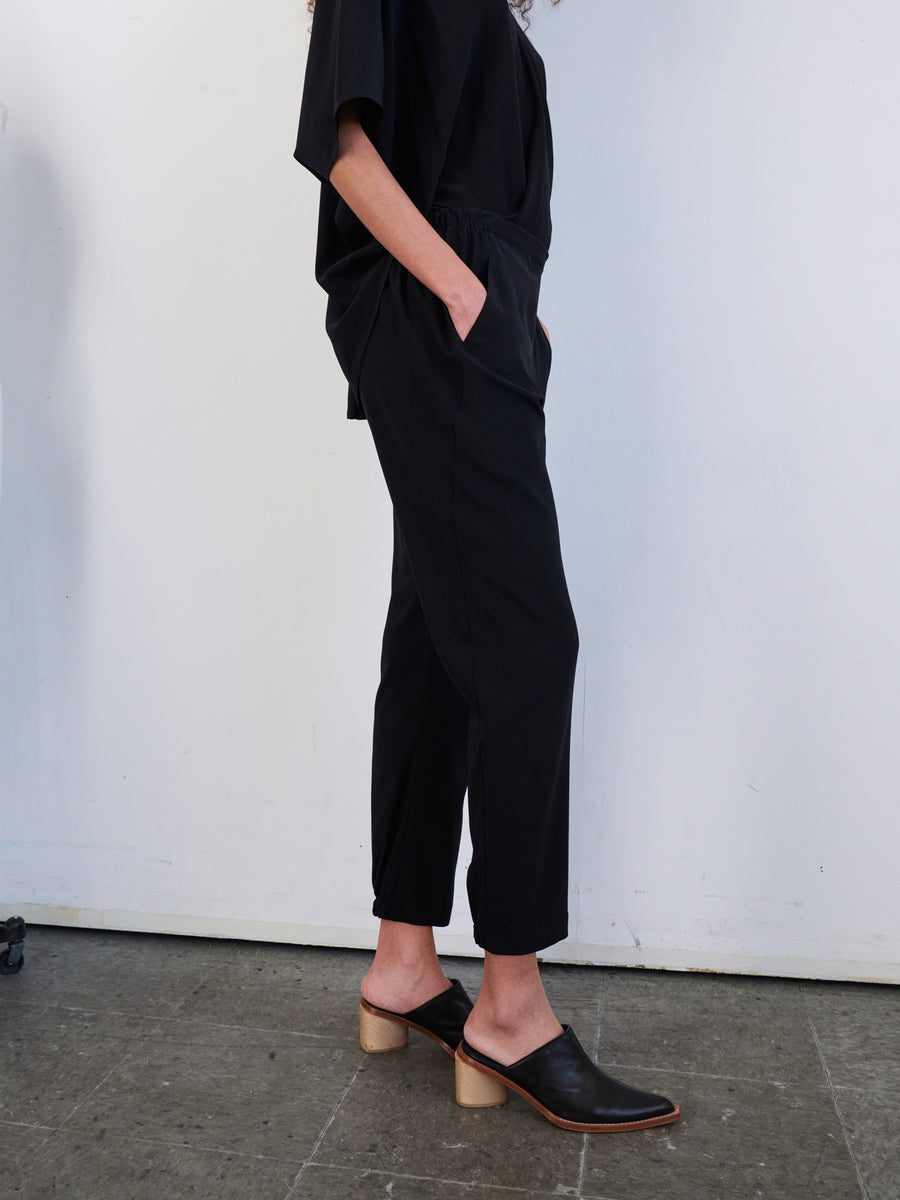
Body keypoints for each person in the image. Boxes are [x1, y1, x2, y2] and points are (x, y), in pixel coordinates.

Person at [293, 0, 680, 1133]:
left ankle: (404, 963)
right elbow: (342, 143)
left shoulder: (497, 19)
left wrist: (512, 304)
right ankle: (511, 1009)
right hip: (433, 301)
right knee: (524, 642)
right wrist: (465, 291)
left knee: (436, 631)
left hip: (473, 309)